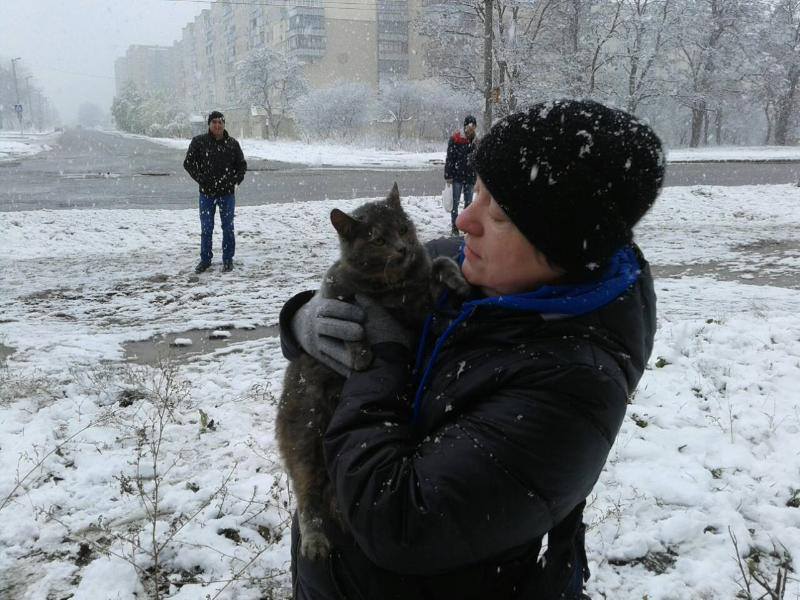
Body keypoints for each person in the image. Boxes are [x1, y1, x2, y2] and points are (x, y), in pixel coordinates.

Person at [279, 99, 665, 599]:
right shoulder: (473, 266)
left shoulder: (571, 388)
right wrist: (301, 319)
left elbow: (399, 523)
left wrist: (382, 360)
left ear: (560, 246)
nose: (464, 220)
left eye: (498, 214)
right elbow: (356, 292)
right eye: (477, 191)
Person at [183, 110, 247, 273]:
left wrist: (235, 182)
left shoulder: (232, 144)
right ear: (209, 125)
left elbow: (241, 166)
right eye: (214, 122)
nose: (217, 125)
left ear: (223, 124)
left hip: (227, 194)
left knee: (228, 227)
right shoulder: (199, 142)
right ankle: (205, 260)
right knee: (206, 228)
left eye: (220, 122)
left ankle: (227, 259)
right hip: (207, 194)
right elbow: (188, 163)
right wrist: (201, 178)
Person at [444, 114, 478, 236]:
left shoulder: (476, 141)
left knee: (469, 204)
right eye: (470, 125)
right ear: (465, 126)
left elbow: (477, 160)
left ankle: (466, 226)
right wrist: (448, 175)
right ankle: (455, 227)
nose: (471, 128)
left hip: (470, 177)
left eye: (474, 126)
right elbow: (450, 159)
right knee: (455, 203)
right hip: (457, 176)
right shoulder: (455, 139)